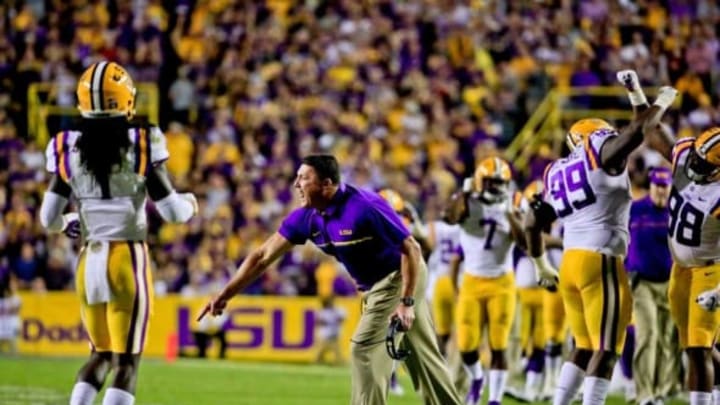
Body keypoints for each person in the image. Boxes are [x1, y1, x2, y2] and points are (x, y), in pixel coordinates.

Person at [198, 155, 462, 405]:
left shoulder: (366, 206)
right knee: (424, 359)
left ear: (326, 184)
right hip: (375, 287)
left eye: (303, 178)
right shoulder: (306, 216)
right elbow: (262, 256)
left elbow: (412, 249)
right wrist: (225, 295)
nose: (295, 184)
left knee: (364, 350)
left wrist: (406, 302)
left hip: (400, 275)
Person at [39, 61, 197, 405]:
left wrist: (67, 223)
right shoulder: (142, 142)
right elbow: (173, 213)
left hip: (88, 259)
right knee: (126, 363)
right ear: (126, 99)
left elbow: (48, 217)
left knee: (100, 355)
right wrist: (191, 203)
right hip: (127, 257)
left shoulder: (67, 146)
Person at [523, 69, 677, 405]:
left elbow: (532, 221)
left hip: (569, 263)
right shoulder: (600, 151)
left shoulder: (555, 171)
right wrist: (662, 100)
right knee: (608, 349)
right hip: (600, 261)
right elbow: (640, 131)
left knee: (584, 346)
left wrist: (539, 265)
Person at [446, 156, 525, 405]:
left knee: (498, 344)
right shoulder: (468, 201)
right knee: (467, 345)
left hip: (502, 282)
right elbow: (450, 217)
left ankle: (495, 399)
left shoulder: (513, 202)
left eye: (500, 183)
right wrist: (464, 194)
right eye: (490, 183)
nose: (496, 188)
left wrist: (510, 215)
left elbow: (524, 242)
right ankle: (477, 379)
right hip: (471, 281)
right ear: (479, 182)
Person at [625, 167, 681, 405]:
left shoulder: (676, 212)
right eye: (657, 186)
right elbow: (622, 240)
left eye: (664, 186)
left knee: (666, 340)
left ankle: (660, 390)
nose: (661, 190)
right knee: (648, 335)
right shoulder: (636, 209)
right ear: (650, 186)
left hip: (670, 283)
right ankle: (644, 393)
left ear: (670, 187)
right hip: (643, 283)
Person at [512, 179, 564, 402]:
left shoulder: (561, 218)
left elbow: (536, 237)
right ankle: (539, 384)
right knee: (537, 338)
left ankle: (552, 385)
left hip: (560, 279)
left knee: (554, 337)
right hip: (542, 282)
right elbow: (530, 238)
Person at [315, 295, 347, 365]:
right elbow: (319, 322)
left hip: (335, 332)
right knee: (324, 348)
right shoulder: (323, 311)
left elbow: (342, 319)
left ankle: (339, 362)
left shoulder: (338, 310)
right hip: (325, 333)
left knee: (333, 349)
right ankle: (318, 361)